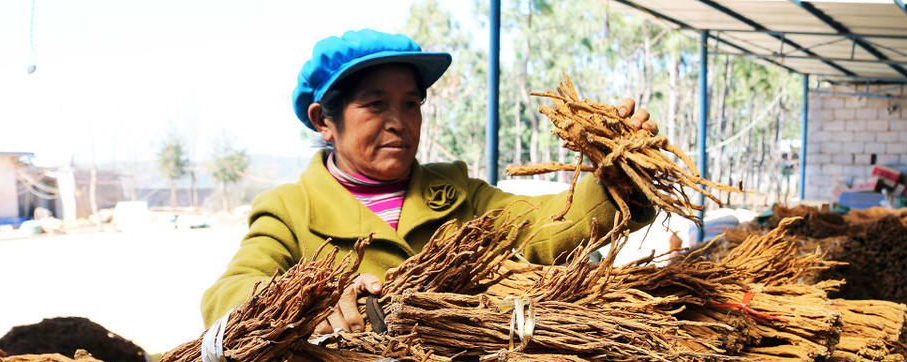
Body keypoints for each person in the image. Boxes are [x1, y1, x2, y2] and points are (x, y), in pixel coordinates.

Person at [200, 28, 658, 334]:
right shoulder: (290, 209)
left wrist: (622, 172)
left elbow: (547, 221)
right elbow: (229, 291)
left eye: (411, 104)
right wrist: (306, 301)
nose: (399, 122)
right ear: (325, 120)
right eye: (375, 104)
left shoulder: (457, 193)